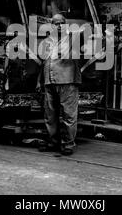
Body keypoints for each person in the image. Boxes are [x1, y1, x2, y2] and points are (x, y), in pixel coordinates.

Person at [36, 14, 84, 156]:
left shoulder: (72, 39)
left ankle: (68, 144)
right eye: (55, 23)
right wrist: (39, 80)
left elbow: (86, 35)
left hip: (67, 81)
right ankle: (53, 141)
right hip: (49, 81)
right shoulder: (47, 41)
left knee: (69, 114)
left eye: (61, 23)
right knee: (50, 115)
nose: (58, 26)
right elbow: (44, 62)